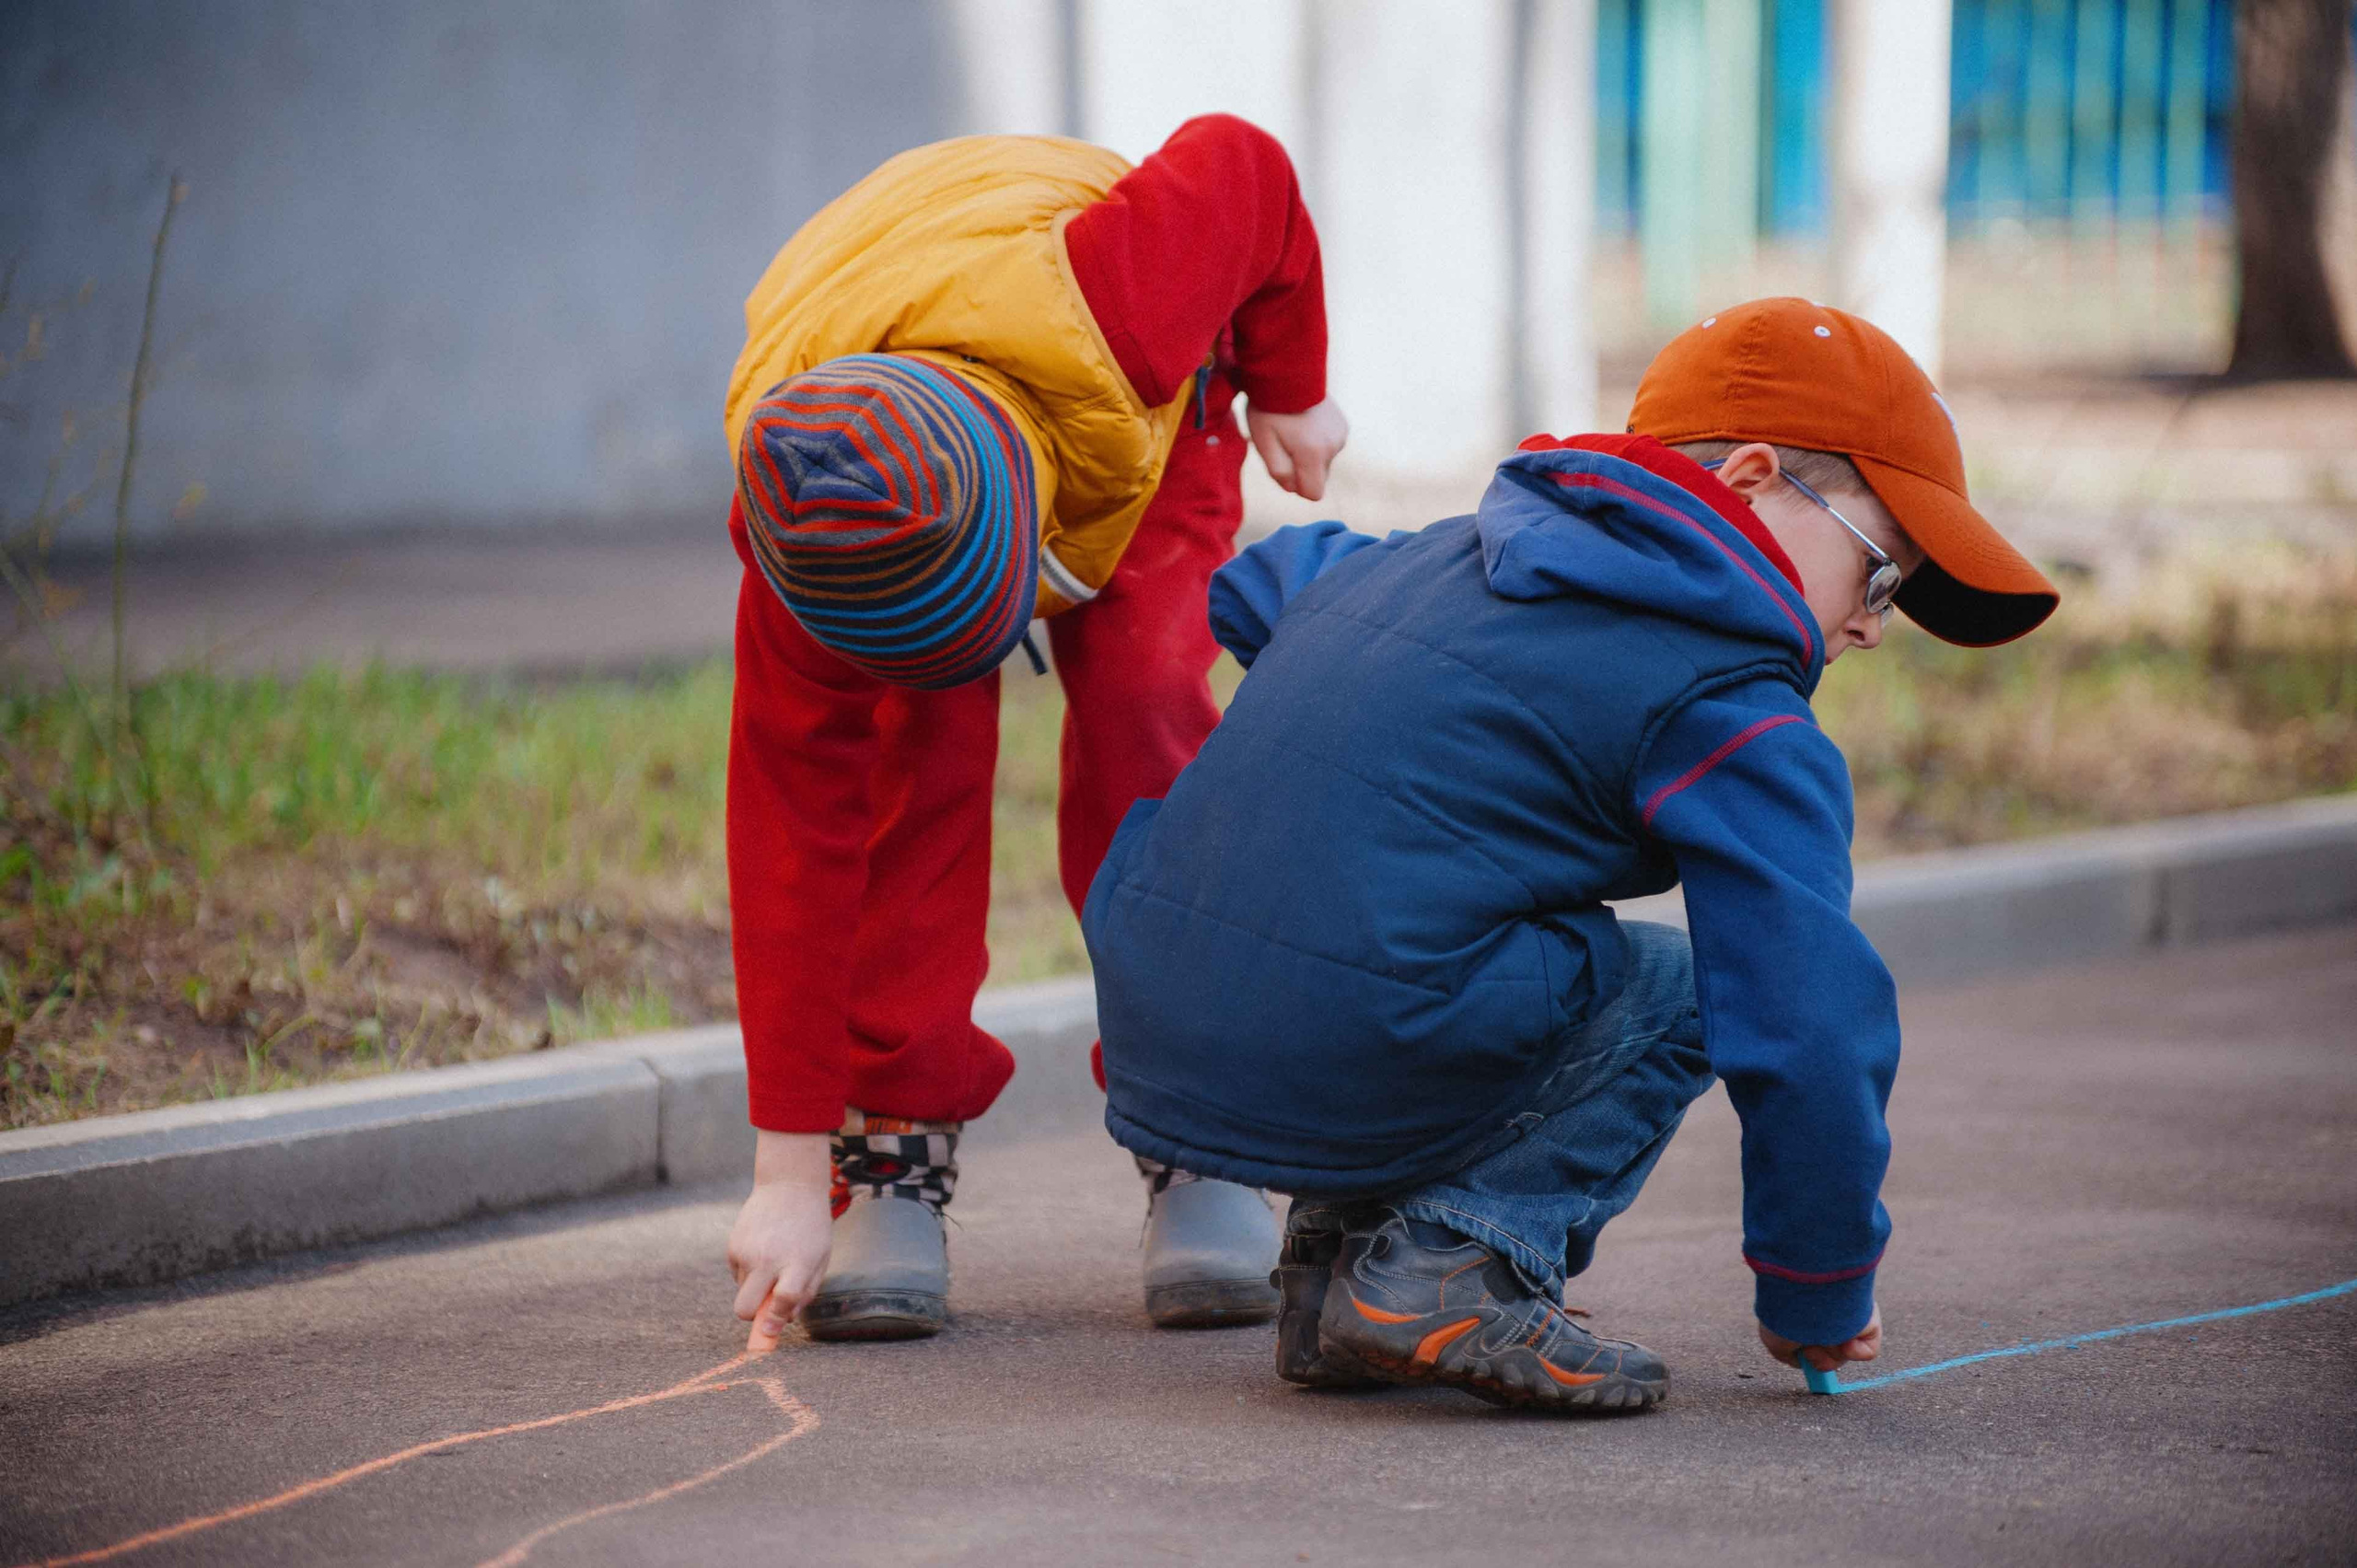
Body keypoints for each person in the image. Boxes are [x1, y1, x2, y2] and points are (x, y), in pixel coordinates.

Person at [1082, 297, 2059, 1411]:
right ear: (1748, 480)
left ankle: (1336, 1275)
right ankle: (1451, 1258)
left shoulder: (1445, 555)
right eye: (1884, 575)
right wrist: (1818, 1286)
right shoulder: (1729, 699)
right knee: (1684, 987)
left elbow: (1262, 584)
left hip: (1160, 1017)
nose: (1878, 625)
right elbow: (1806, 1013)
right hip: (1343, 1036)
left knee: (1428, 926)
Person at [721, 115, 1348, 1350]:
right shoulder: (805, 529)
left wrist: (1294, 382)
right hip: (896, 357)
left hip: (1129, 407)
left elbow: (1246, 166)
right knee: (912, 765)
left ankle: (1200, 1135)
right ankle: (886, 1149)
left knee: (1146, 714)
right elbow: (791, 850)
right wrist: (789, 1174)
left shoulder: (1123, 303)